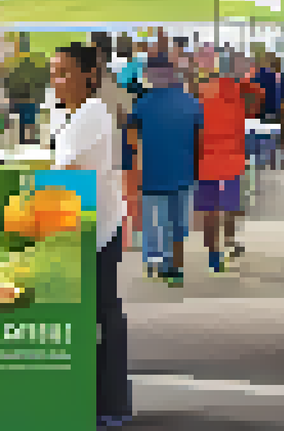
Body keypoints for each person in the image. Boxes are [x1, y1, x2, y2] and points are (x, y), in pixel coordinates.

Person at [49, 43, 130, 429]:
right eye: (53, 73)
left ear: (89, 76)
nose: (56, 81)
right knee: (98, 315)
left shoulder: (93, 113)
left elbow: (63, 167)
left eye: (64, 73)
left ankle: (111, 406)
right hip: (89, 227)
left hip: (98, 229)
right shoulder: (75, 114)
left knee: (103, 315)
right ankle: (105, 403)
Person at [127, 58, 202, 285]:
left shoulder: (142, 104)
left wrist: (134, 166)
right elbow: (199, 139)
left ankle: (153, 261)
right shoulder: (191, 103)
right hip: (182, 171)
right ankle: (173, 265)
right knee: (177, 222)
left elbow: (131, 139)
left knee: (153, 220)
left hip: (151, 172)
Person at [195, 69, 251, 272]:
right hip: (232, 160)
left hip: (206, 161)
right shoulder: (237, 94)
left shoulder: (200, 95)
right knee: (230, 204)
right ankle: (229, 241)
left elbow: (196, 129)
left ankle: (213, 256)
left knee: (210, 210)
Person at [3, 37, 48, 146]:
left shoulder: (20, 63)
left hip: (25, 100)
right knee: (23, 123)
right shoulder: (14, 63)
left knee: (26, 122)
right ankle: (25, 141)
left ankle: (26, 141)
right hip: (22, 100)